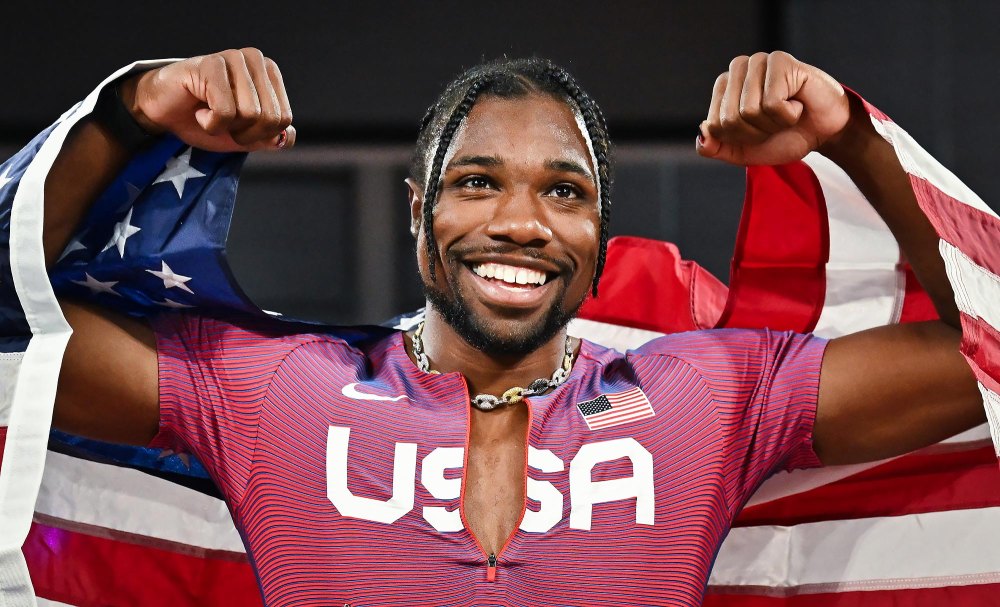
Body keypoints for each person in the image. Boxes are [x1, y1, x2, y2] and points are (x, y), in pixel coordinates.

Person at [14, 48, 986, 605]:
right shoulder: (273, 389)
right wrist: (128, 113)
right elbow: (16, 326)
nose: (519, 221)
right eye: (477, 181)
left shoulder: (710, 396)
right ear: (416, 208)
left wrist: (850, 134)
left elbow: (983, 348)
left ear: (599, 231)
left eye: (563, 190)